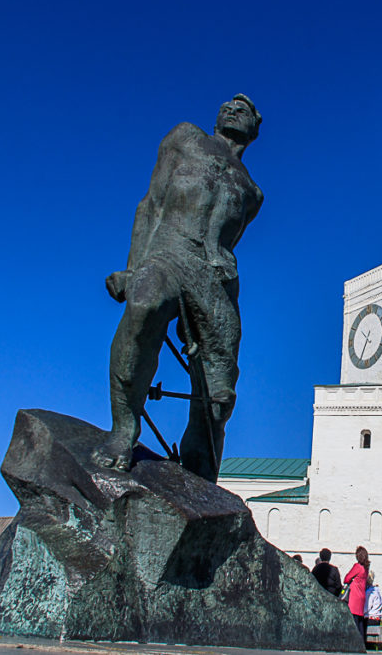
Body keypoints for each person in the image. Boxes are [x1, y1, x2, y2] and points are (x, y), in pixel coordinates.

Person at [92, 95, 264, 478]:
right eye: (227, 104)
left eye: (245, 109)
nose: (233, 109)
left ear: (256, 126)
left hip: (216, 277)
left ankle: (199, 463)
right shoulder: (186, 138)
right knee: (144, 307)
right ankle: (124, 429)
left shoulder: (253, 193)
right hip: (169, 251)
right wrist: (133, 268)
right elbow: (151, 204)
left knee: (220, 393)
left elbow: (227, 238)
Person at [343, 546, 370, 639]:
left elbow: (347, 578)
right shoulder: (365, 568)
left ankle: (354, 640)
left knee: (353, 619)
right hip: (361, 596)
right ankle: (361, 640)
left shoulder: (357, 567)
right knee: (360, 621)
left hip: (354, 596)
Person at [365, 570, 382, 636]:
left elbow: (367, 607)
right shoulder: (376, 591)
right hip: (376, 618)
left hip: (371, 618)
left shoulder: (370, 592)